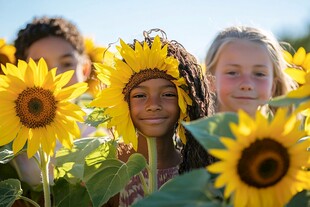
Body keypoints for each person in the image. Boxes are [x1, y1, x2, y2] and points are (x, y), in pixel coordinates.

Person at [90, 29, 215, 207]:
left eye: (168, 94)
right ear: (123, 102)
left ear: (186, 101)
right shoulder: (104, 168)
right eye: (140, 96)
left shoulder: (195, 169)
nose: (153, 104)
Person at [6, 16, 94, 206]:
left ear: (85, 69)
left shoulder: (99, 130)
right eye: (41, 66)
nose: (55, 75)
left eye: (67, 64)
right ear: (21, 71)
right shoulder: (8, 126)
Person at [204, 25, 297, 117]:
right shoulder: (192, 130)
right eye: (232, 73)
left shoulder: (287, 131)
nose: (247, 85)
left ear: (273, 85)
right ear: (210, 80)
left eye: (259, 74)